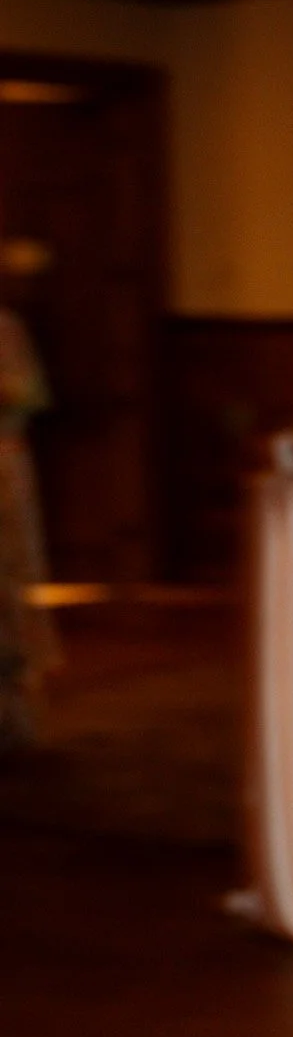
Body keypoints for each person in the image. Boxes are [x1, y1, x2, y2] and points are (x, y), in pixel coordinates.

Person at [0, 295, 55, 751]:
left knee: (8, 587)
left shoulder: (6, 328)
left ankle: (14, 714)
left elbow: (29, 393)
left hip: (3, 469)